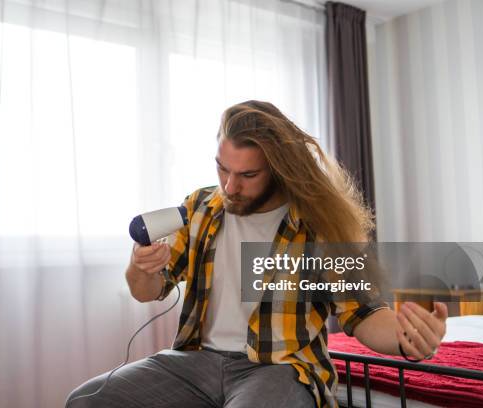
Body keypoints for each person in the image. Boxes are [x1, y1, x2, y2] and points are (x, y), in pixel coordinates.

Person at [66, 100, 447, 408]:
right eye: (222, 169)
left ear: (279, 169)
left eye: (247, 176)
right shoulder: (200, 208)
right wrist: (140, 267)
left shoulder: (316, 226)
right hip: (196, 360)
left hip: (277, 368)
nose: (229, 186)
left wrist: (405, 339)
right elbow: (147, 290)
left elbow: (362, 312)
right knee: (84, 401)